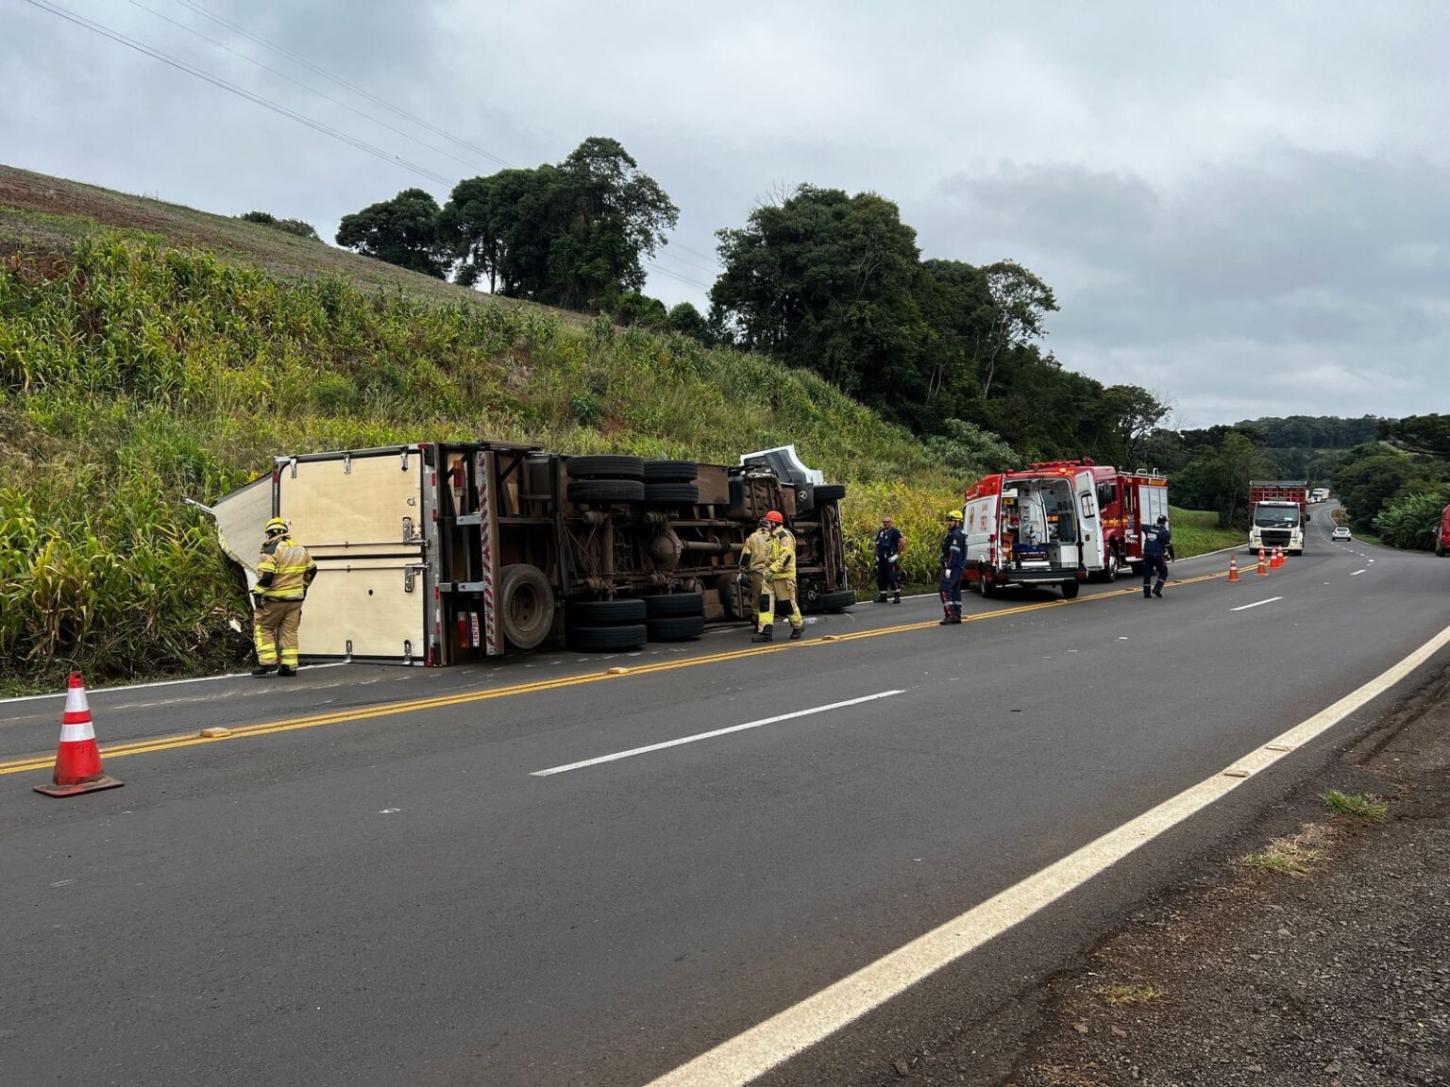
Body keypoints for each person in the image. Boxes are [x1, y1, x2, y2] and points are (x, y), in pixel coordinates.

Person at [252, 516, 318, 676]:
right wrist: (303, 587)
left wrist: (258, 593)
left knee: (263, 628)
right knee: (290, 632)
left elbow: (266, 576)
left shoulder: (271, 551)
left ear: (271, 533)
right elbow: (312, 570)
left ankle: (267, 663)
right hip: (295, 600)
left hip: (274, 600)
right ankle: (289, 666)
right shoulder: (301, 550)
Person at [754, 510, 805, 643]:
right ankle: (765, 632)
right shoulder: (771, 537)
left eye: (768, 522)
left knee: (787, 604)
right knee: (765, 604)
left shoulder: (784, 536)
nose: (766, 524)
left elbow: (786, 556)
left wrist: (773, 569)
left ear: (773, 523)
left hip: (783, 577)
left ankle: (798, 626)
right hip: (770, 577)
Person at [738, 517, 773, 627]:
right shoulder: (773, 538)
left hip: (757, 572)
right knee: (768, 597)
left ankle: (757, 619)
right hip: (770, 572)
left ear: (758, 526)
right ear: (768, 526)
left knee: (756, 597)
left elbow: (746, 555)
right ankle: (767, 621)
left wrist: (741, 570)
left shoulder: (752, 538)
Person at [939, 509, 966, 625]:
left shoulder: (955, 534)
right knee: (955, 590)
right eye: (948, 520)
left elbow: (953, 553)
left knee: (945, 589)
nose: (948, 523)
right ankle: (956, 615)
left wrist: (948, 567)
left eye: (951, 521)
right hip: (958, 567)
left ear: (958, 522)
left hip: (953, 567)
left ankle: (950, 615)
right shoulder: (958, 533)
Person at [874, 516, 905, 603]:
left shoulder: (895, 532)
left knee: (892, 578)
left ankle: (897, 596)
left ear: (891, 523)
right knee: (881, 578)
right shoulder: (881, 532)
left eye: (888, 522)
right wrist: (876, 555)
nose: (886, 523)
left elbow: (902, 542)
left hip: (890, 559)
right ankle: (883, 596)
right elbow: (877, 544)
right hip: (881, 559)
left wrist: (897, 555)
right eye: (884, 522)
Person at [1141, 514, 1172, 599]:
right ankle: (1157, 589)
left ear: (1157, 521)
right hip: (1157, 555)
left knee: (1147, 573)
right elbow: (1168, 546)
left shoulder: (1148, 528)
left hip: (1147, 554)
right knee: (1164, 572)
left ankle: (1146, 594)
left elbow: (1139, 525)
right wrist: (1172, 556)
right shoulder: (1165, 532)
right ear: (1164, 522)